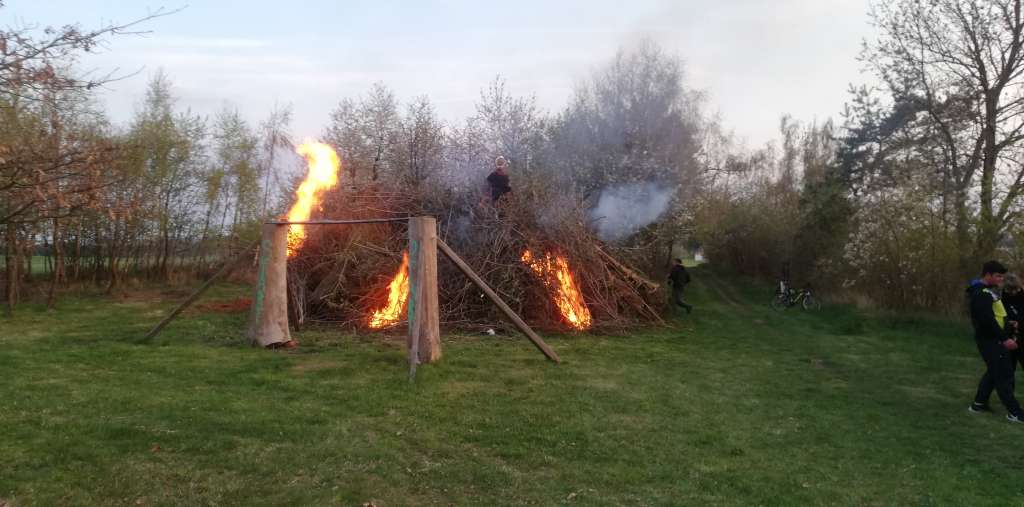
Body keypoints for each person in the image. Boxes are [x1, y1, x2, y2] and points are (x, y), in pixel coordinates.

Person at [968, 260, 1024, 423]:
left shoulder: (988, 291)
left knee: (994, 372)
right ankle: (1015, 413)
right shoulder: (981, 294)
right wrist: (1004, 338)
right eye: (998, 276)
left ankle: (978, 404)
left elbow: (997, 316)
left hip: (995, 339)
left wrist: (1009, 325)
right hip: (991, 341)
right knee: (1003, 374)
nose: (1001, 279)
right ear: (988, 275)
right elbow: (986, 320)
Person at [1002, 273, 1024, 370]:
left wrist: (1019, 322)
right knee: (1008, 367)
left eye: (1015, 289)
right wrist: (1008, 322)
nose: (1013, 292)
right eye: (1010, 290)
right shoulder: (1003, 296)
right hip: (1009, 335)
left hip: (1022, 334)